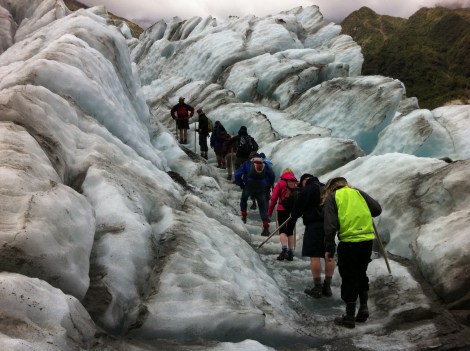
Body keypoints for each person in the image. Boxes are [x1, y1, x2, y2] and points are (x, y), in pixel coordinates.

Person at [323, 177, 382, 329]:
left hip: (349, 242)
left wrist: (329, 246)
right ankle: (363, 308)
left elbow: (330, 225)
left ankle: (349, 317)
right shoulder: (358, 193)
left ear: (331, 187)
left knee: (349, 276)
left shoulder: (332, 197)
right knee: (361, 272)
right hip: (366, 241)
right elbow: (377, 210)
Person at [290, 173, 335, 298]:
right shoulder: (327, 188)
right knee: (329, 254)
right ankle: (327, 286)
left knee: (315, 256)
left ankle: (317, 287)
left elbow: (297, 210)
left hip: (314, 225)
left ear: (305, 180)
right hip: (330, 225)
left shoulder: (308, 188)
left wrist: (293, 215)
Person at [234, 153, 275, 236]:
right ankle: (266, 228)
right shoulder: (264, 164)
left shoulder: (247, 163)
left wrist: (241, 184)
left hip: (249, 185)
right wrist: (270, 184)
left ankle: (244, 217)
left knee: (244, 199)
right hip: (261, 187)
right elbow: (272, 175)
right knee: (262, 206)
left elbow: (237, 174)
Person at [267, 168, 299, 261]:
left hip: (282, 209)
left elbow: (273, 198)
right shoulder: (295, 183)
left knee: (282, 230)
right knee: (290, 231)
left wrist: (270, 211)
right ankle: (291, 252)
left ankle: (284, 250)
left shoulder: (280, 183)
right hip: (293, 211)